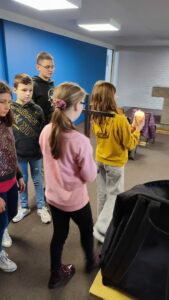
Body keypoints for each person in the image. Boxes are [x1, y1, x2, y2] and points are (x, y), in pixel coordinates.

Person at [39, 82, 99, 289]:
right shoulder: (79, 141)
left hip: (53, 198)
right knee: (86, 230)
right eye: (82, 102)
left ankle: (55, 274)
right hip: (76, 201)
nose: (83, 106)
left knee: (59, 235)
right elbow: (90, 176)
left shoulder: (46, 131)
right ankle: (91, 262)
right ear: (74, 107)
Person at [90, 81, 145, 243]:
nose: (117, 96)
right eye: (115, 94)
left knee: (102, 194)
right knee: (114, 196)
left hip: (100, 160)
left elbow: (116, 136)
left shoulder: (96, 116)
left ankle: (101, 223)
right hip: (115, 164)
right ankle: (101, 230)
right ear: (110, 98)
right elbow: (129, 144)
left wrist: (132, 126)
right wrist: (138, 129)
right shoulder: (120, 119)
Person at [11, 74, 51, 224]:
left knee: (38, 180)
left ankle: (41, 206)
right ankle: (24, 206)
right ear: (15, 90)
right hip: (18, 154)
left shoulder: (38, 110)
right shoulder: (10, 109)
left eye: (30, 90)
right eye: (24, 90)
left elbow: (43, 132)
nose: (27, 93)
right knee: (22, 182)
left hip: (36, 154)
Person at [0, 81, 25, 272]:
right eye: (2, 102)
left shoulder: (6, 122)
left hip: (10, 181)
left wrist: (19, 175)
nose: (7, 106)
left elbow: (12, 152)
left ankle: (2, 232)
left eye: (8, 102)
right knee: (0, 224)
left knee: (13, 213)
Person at [32, 51, 55, 124]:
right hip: (39, 130)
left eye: (52, 67)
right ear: (38, 67)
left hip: (52, 126)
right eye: (47, 67)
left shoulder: (51, 84)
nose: (51, 70)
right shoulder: (33, 85)